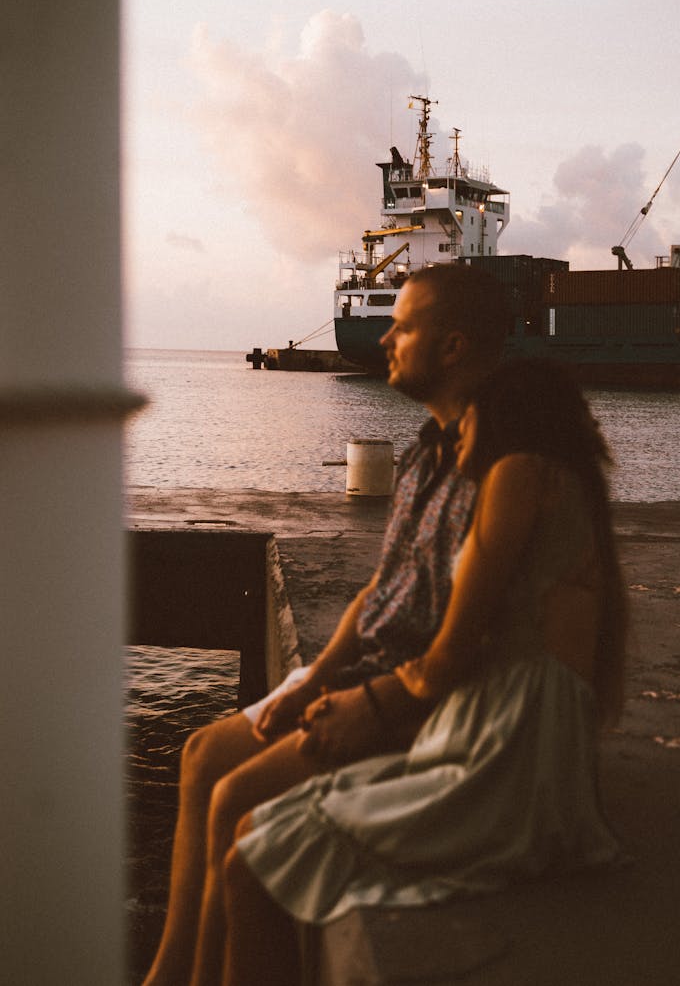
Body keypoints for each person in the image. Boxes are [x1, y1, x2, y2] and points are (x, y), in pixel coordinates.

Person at [142, 264, 509, 986]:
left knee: (234, 801)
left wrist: (365, 702)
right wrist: (313, 674)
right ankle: (171, 970)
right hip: (364, 674)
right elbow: (380, 593)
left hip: (411, 707)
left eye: (403, 325)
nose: (386, 337)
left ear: (454, 346)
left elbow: (473, 637)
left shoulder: (496, 466)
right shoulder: (424, 453)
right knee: (198, 755)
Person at [214, 358, 629, 985]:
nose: (456, 442)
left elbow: (453, 648)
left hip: (508, 739)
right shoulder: (562, 483)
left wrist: (365, 704)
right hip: (509, 725)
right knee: (257, 840)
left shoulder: (518, 474)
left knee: (259, 853)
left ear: (502, 419)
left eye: (466, 427)